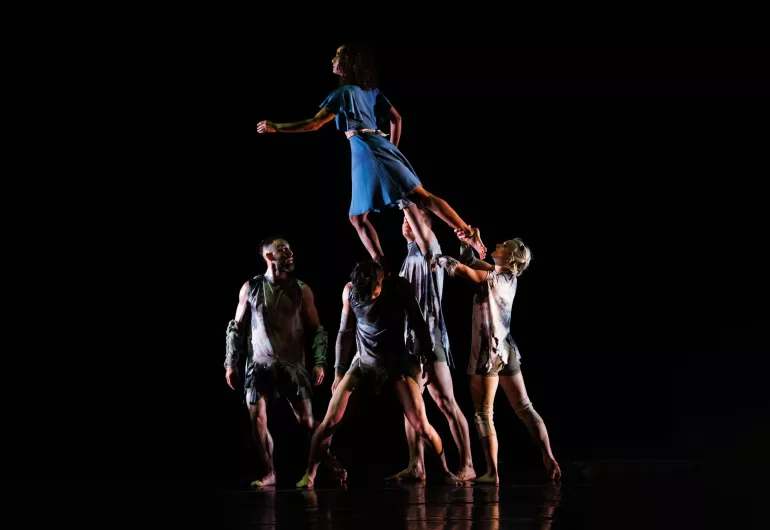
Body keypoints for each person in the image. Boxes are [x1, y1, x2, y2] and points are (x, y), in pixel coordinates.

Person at [256, 43, 486, 268]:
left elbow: (313, 124)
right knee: (357, 217)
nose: (333, 60)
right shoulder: (370, 92)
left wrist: (277, 126)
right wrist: (392, 148)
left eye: (338, 56)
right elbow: (397, 119)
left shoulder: (344, 93)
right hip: (367, 150)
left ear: (349, 63)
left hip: (369, 149)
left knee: (420, 197)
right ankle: (383, 266)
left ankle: (468, 234)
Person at [295, 260, 464, 489]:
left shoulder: (399, 288)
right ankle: (310, 475)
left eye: (373, 293)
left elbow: (418, 324)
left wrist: (429, 361)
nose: (370, 298)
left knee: (422, 425)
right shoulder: (350, 292)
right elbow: (344, 333)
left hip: (395, 364)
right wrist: (338, 372)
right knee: (329, 422)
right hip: (363, 363)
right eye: (365, 295)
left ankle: (444, 472)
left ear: (381, 282)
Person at [431, 234, 562, 483]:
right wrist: (467, 241)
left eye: (504, 246)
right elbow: (469, 260)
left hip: (488, 350)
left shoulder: (495, 278)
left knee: (483, 413)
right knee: (524, 407)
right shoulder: (506, 276)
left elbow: (465, 271)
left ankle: (492, 473)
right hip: (506, 348)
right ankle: (548, 456)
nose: (498, 245)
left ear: (510, 257)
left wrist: (439, 258)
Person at [225, 236, 345, 487]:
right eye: (282, 249)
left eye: (290, 248)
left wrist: (320, 361)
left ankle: (329, 461)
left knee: (308, 421)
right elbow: (236, 327)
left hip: (292, 366)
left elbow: (317, 330)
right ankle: (269, 472)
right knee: (257, 418)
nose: (290, 253)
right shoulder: (251, 287)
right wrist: (230, 363)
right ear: (269, 257)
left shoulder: (302, 289)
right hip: (259, 366)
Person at [386, 201, 475, 482]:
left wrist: (403, 201)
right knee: (412, 408)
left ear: (426, 226)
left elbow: (417, 221)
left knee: (447, 403)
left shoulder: (431, 248)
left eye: (413, 219)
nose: (406, 223)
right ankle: (417, 465)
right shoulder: (408, 255)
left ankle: (468, 465)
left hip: (432, 338)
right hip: (410, 341)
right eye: (405, 220)